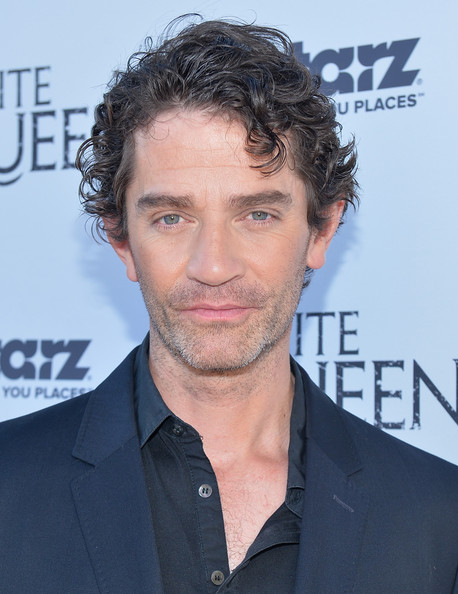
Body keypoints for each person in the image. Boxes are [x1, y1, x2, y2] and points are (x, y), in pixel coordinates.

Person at [1, 18, 457, 594]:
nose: (214, 266)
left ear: (321, 230)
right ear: (123, 241)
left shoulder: (438, 517)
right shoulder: (8, 484)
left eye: (257, 215)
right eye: (172, 217)